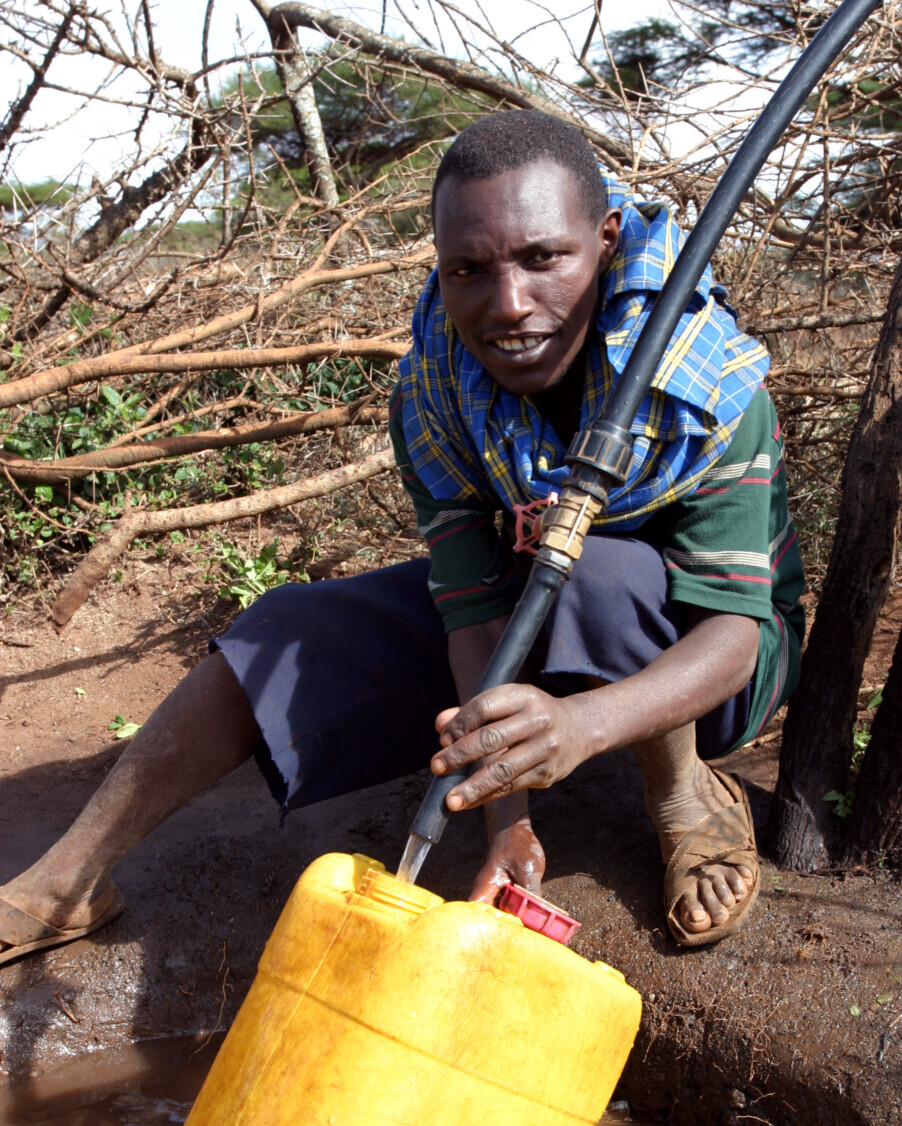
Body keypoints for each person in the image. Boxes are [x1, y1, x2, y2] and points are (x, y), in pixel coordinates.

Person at [0, 110, 804, 967]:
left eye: (543, 259)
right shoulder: (436, 385)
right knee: (279, 635)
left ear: (605, 239)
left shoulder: (704, 381)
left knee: (593, 574)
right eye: (468, 270)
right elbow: (470, 604)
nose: (507, 306)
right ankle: (64, 885)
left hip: (703, 665)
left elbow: (733, 636)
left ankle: (682, 793)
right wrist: (506, 816)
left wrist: (583, 726)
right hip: (534, 606)